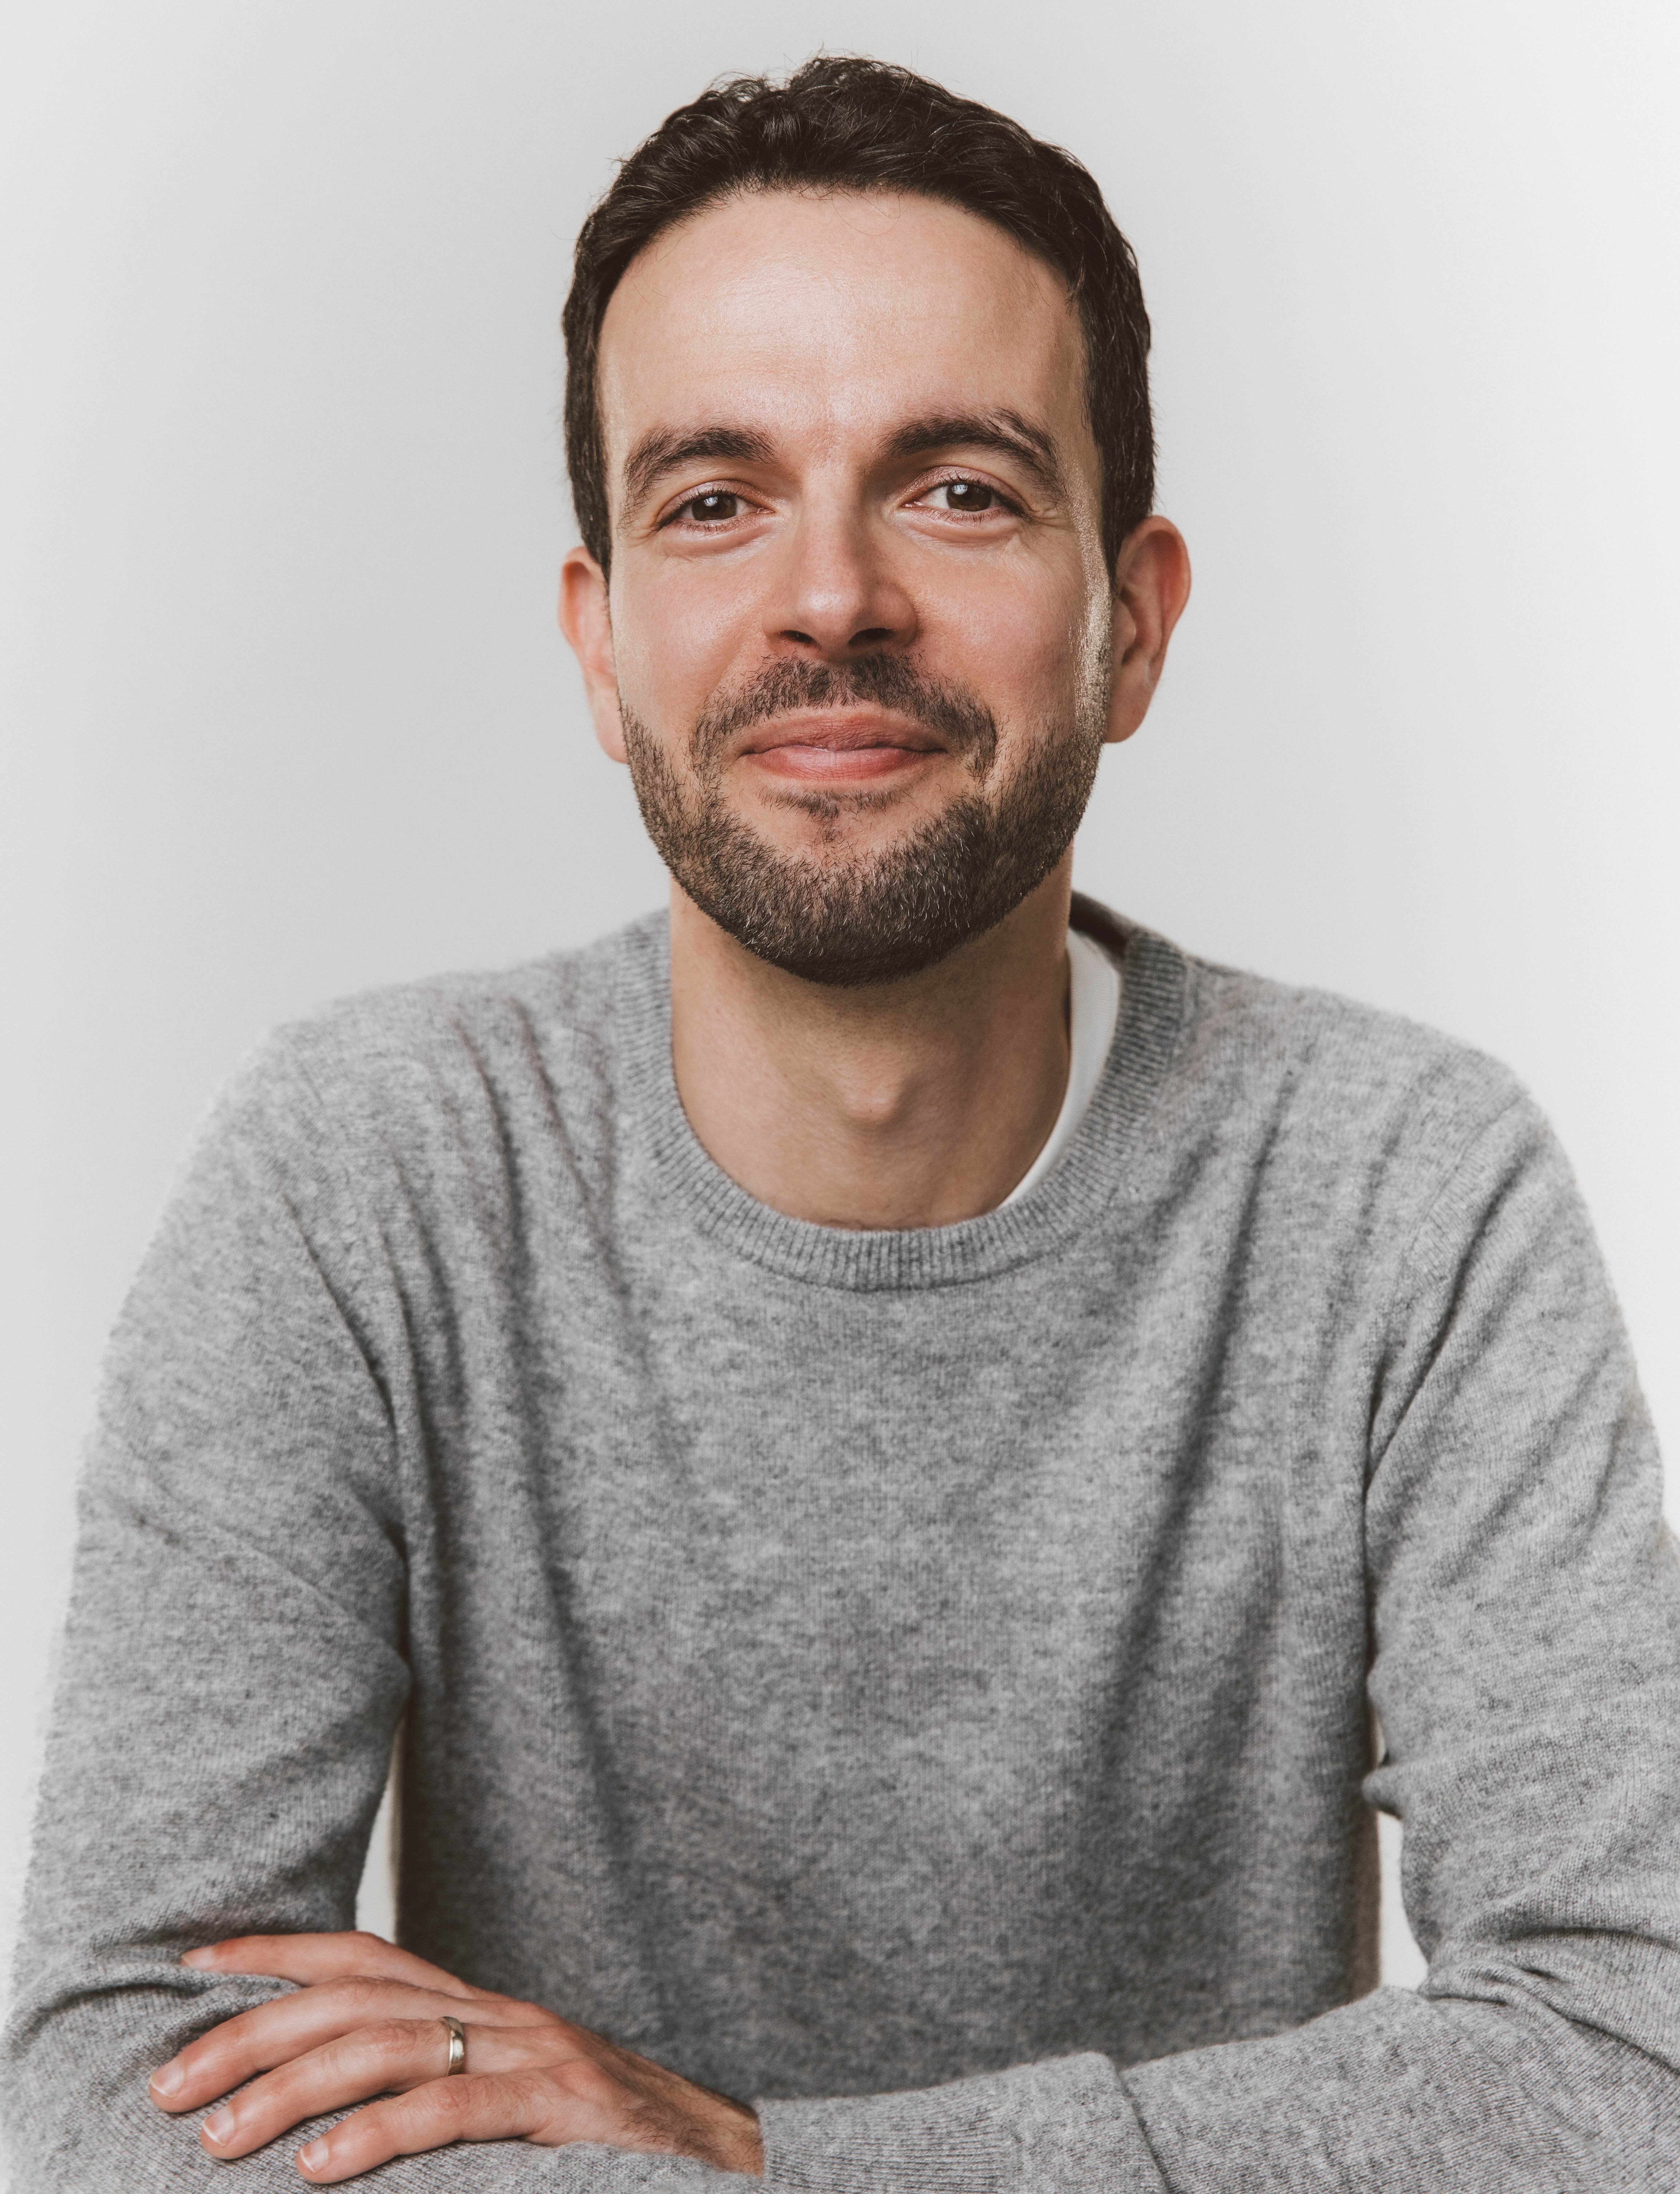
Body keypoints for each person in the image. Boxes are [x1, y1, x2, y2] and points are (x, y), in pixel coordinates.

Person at [5, 52, 1677, 2193]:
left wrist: (774, 2157)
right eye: (713, 499)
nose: (829, 602)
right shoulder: (364, 1179)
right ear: (602, 646)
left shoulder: (1404, 1194)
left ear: (1130, 623)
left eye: (958, 488)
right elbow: (121, 2079)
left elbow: (1627, 2054)